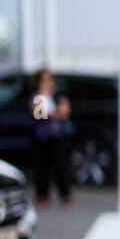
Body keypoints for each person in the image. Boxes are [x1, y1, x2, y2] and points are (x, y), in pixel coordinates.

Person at [29, 67, 73, 206]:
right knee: (42, 166)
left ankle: (64, 193)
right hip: (42, 136)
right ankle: (43, 194)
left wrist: (54, 113)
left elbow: (64, 112)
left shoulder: (57, 96)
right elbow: (39, 113)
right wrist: (54, 113)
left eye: (49, 79)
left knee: (60, 165)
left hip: (56, 135)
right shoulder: (37, 96)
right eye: (43, 79)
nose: (46, 82)